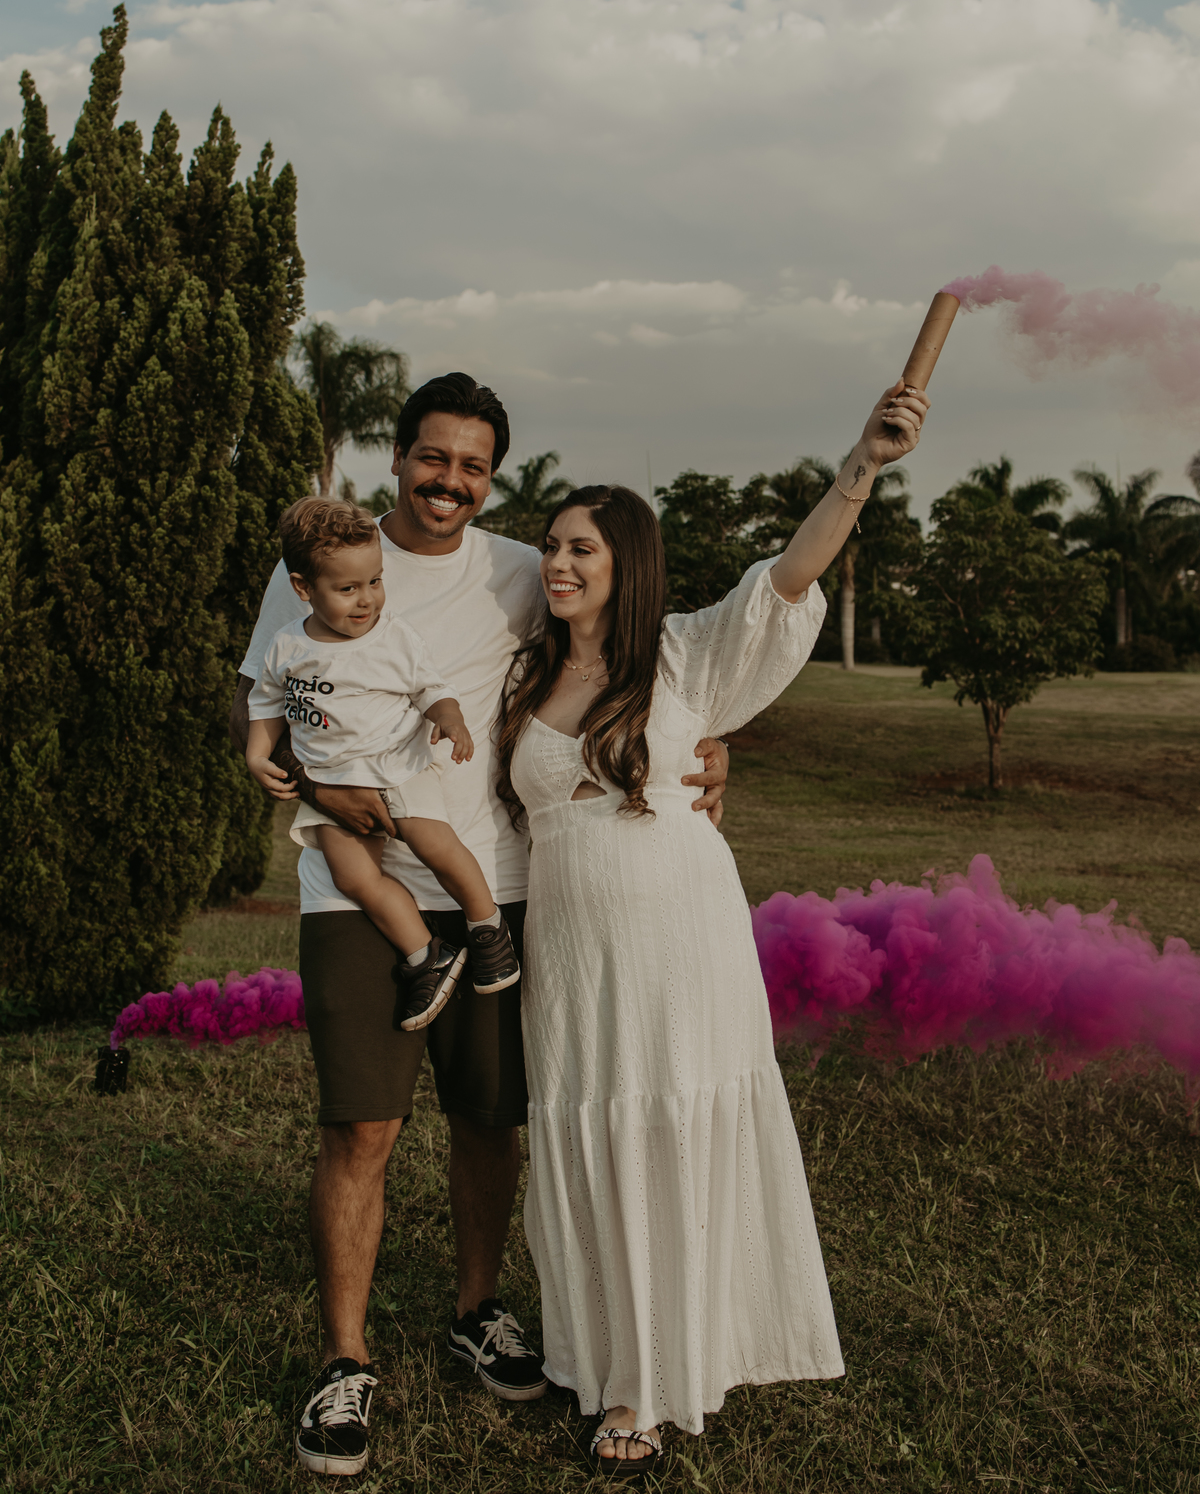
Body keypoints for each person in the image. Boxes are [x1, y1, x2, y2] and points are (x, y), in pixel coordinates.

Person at [227, 373, 730, 1478]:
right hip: (356, 885)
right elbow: (273, 695)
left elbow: (614, 659)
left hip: (496, 886)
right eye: (433, 457)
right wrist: (319, 785)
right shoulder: (323, 563)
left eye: (472, 465)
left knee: (490, 1120)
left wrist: (702, 742)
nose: (449, 480)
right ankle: (345, 1361)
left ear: (489, 476)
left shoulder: (518, 571)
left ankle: (477, 1311)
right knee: (361, 1128)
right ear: (398, 456)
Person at [494, 378, 928, 1477]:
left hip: (679, 940)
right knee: (592, 1129)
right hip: (573, 955)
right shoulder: (524, 674)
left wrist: (861, 466)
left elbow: (789, 577)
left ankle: (649, 1384)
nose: (558, 563)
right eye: (552, 545)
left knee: (670, 1126)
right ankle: (605, 1352)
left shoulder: (683, 656)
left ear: (627, 564)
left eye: (582, 549)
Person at [245, 494, 522, 1032]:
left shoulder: (392, 637)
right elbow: (267, 703)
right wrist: (258, 755)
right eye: (347, 589)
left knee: (436, 845)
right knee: (352, 877)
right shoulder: (286, 646)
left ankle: (487, 927)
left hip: (398, 770)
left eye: (374, 581)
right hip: (330, 784)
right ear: (303, 588)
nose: (367, 599)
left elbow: (431, 688)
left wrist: (450, 719)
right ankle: (427, 955)